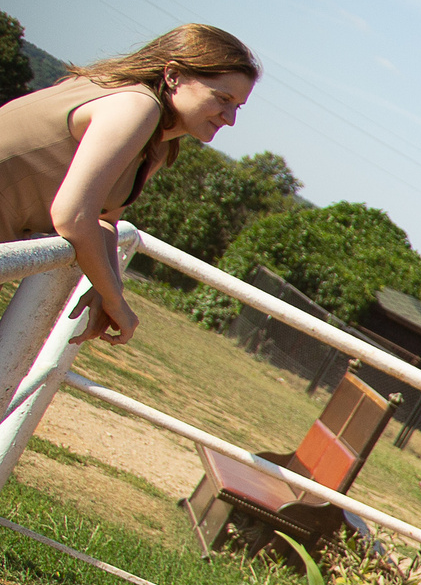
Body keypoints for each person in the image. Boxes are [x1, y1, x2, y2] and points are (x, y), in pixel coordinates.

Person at [0, 23, 259, 345]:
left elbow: (103, 222)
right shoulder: (135, 106)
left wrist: (106, 285)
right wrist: (115, 301)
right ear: (173, 75)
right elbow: (72, 216)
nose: (230, 118)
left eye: (238, 106)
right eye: (223, 98)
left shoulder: (159, 144)